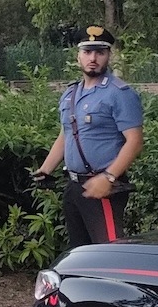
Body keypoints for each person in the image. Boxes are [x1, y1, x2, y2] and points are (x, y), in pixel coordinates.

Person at [33, 25, 144, 247]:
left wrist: (109, 177)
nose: (93, 58)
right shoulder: (71, 93)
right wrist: (45, 169)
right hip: (74, 186)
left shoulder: (119, 93)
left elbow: (135, 141)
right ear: (78, 56)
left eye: (99, 52)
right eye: (87, 52)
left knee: (110, 252)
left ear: (108, 56)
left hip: (104, 187)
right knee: (80, 253)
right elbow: (67, 134)